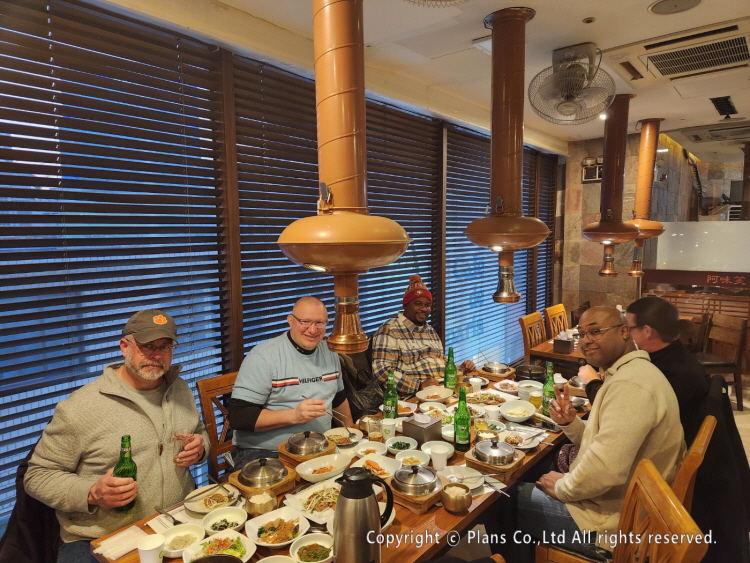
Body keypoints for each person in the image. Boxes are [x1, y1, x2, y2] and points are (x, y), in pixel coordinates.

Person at [24, 309, 209, 563]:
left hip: (174, 520)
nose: (156, 355)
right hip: (102, 538)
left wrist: (201, 447)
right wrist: (91, 493)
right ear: (124, 346)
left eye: (165, 347)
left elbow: (199, 431)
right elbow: (37, 476)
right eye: (147, 346)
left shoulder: (179, 388)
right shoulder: (81, 407)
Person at [517, 306, 684, 558]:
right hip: (623, 503)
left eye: (595, 332)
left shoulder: (630, 384)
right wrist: (571, 423)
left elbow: (606, 470)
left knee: (507, 498)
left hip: (617, 526)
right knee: (536, 469)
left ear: (624, 332)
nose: (586, 341)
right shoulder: (631, 372)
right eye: (582, 334)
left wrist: (563, 488)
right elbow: (607, 441)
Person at [228, 296, 355, 468]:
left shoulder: (330, 351)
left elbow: (339, 398)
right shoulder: (262, 357)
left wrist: (351, 434)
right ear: (290, 320)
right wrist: (293, 416)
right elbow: (238, 417)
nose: (313, 330)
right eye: (305, 322)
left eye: (320, 323)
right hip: (267, 451)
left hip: (320, 446)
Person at [579, 296, 708, 444]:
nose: (625, 334)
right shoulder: (675, 357)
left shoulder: (666, 373)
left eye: (629, 328)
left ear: (647, 331)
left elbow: (620, 418)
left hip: (657, 450)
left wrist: (593, 383)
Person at [371, 274, 475, 397]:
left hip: (444, 390)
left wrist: (459, 369)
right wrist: (418, 386)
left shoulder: (430, 330)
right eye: (418, 303)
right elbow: (381, 371)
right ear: (406, 305)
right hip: (415, 397)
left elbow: (441, 361)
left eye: (427, 305)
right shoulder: (389, 329)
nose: (424, 309)